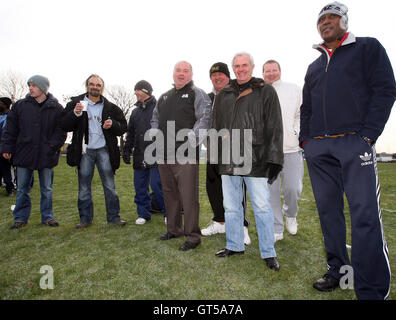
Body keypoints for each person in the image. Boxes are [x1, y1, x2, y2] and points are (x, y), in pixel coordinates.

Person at [300, 2, 395, 299]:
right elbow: (308, 108)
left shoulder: (368, 48)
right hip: (319, 148)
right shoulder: (314, 66)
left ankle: (370, 289)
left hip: (355, 144)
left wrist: (367, 135)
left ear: (344, 21)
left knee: (365, 215)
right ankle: (339, 273)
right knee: (329, 214)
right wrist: (307, 141)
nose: (326, 22)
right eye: (322, 19)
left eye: (332, 17)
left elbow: (385, 89)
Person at [212, 52, 283, 271]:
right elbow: (215, 126)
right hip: (228, 159)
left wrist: (274, 158)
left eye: (244, 65)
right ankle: (234, 245)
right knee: (231, 207)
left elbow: (274, 125)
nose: (240, 69)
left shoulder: (266, 91)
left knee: (262, 207)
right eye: (237, 66)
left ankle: (268, 252)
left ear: (252, 67)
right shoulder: (223, 94)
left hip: (256, 158)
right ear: (233, 68)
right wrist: (216, 155)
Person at [151, 61, 212, 251]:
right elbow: (154, 119)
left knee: (188, 196)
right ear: (173, 73)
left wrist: (191, 142)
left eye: (186, 71)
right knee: (170, 194)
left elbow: (205, 118)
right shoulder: (164, 96)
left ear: (191, 74)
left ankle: (193, 236)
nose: (181, 73)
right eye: (178, 70)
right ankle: (173, 229)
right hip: (164, 154)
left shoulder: (197, 93)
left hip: (185, 155)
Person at [61, 74, 127, 229]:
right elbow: (63, 124)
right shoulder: (76, 104)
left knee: (110, 186)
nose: (95, 87)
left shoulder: (110, 107)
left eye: (98, 85)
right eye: (92, 84)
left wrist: (113, 124)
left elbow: (124, 127)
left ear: (102, 88)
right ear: (87, 85)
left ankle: (114, 217)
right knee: (84, 187)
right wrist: (75, 114)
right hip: (85, 151)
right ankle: (85, 219)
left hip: (104, 150)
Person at [0, 75, 67, 229]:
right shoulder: (19, 106)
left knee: (47, 188)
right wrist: (7, 148)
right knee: (22, 188)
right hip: (24, 152)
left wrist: (52, 146)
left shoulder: (56, 107)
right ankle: (20, 218)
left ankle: (48, 217)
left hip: (46, 154)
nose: (30, 88)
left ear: (43, 88)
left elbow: (61, 131)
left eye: (34, 85)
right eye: (29, 85)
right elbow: (10, 129)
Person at [202, 62, 251, 245]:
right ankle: (220, 221)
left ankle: (242, 226)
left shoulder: (237, 93)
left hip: (235, 147)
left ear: (228, 76)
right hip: (213, 147)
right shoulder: (207, 98)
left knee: (237, 187)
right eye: (214, 75)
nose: (217, 78)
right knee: (213, 186)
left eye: (221, 74)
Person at [263, 60, 303, 242]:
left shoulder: (293, 89)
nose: (271, 73)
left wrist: (296, 132)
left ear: (280, 70)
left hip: (291, 148)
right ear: (263, 73)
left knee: (292, 188)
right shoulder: (259, 92)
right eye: (267, 71)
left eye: (274, 70)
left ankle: (290, 214)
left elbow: (301, 114)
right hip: (268, 153)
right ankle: (276, 227)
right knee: (271, 193)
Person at [123, 80, 166, 225]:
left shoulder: (159, 108)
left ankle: (168, 213)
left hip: (156, 154)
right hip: (139, 155)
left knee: (157, 185)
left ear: (146, 91)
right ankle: (143, 213)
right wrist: (127, 150)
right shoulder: (135, 112)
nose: (135, 93)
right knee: (140, 187)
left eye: (137, 90)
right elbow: (130, 133)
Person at [0, 97, 14, 196]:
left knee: (5, 168)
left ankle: (9, 188)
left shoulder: (11, 116)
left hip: (5, 146)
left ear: (5, 105)